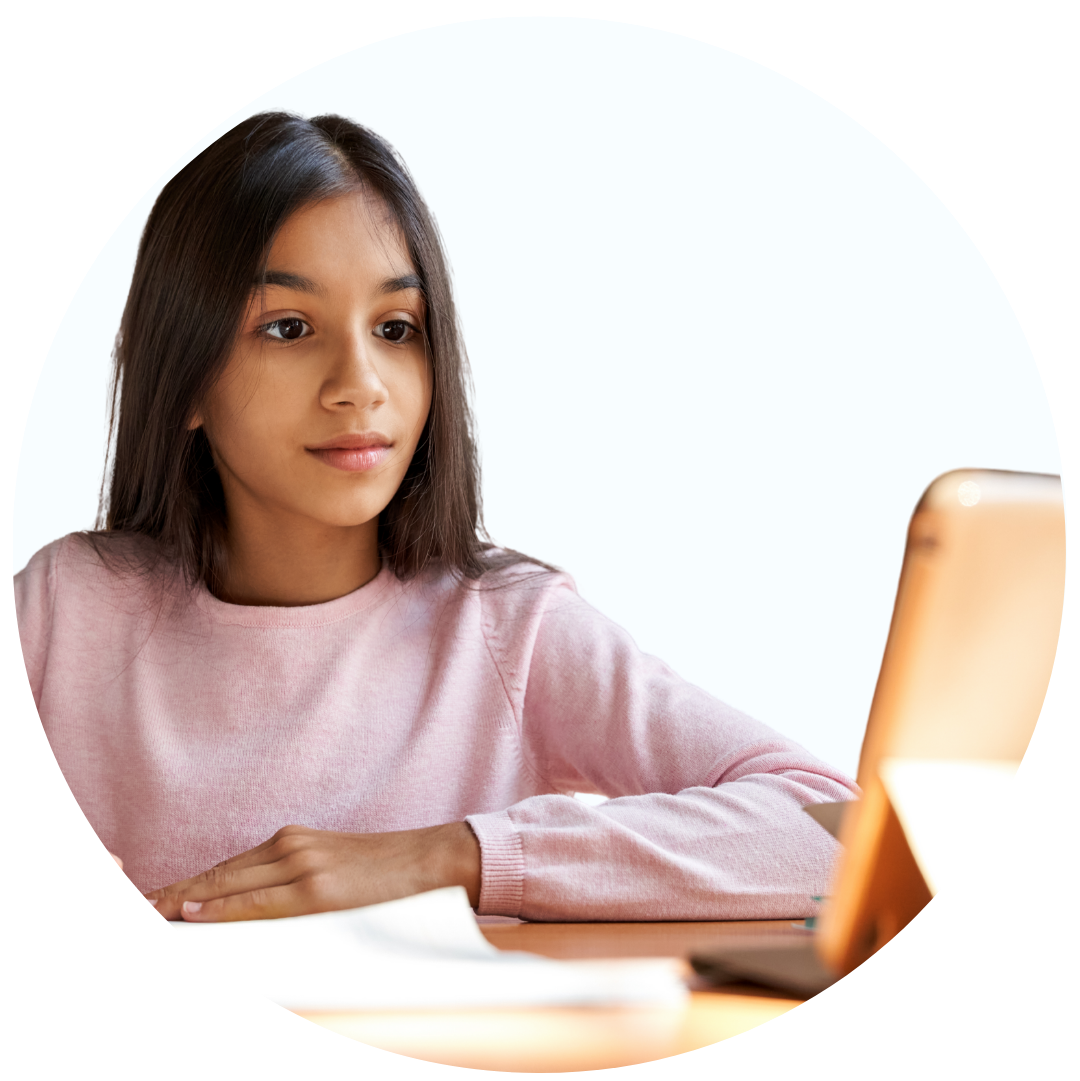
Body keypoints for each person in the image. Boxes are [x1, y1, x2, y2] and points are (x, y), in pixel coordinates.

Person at [14, 112, 857, 924]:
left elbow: (836, 831)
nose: (361, 383)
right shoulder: (67, 610)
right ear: (185, 375)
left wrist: (451, 856)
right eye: (289, 326)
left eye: (395, 327)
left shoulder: (507, 629)